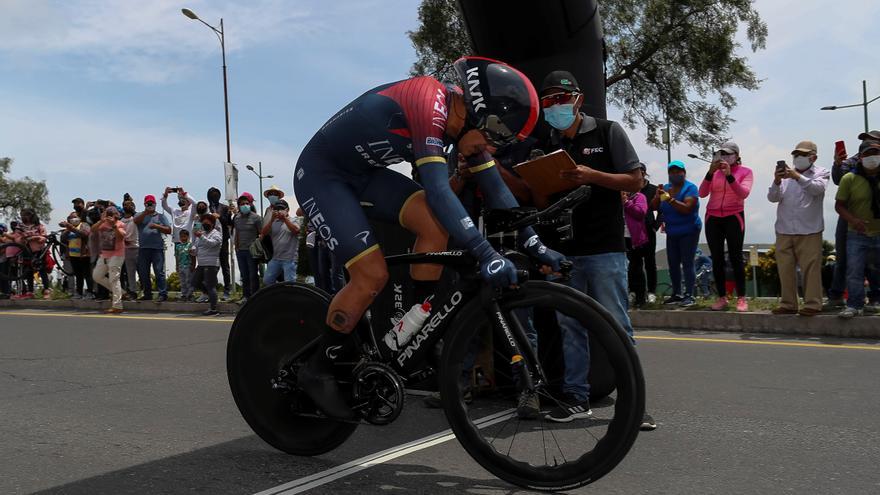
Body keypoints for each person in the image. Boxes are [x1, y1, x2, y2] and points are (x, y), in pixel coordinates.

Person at [292, 56, 564, 421]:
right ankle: (317, 368)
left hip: (363, 174)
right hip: (322, 175)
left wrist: (536, 244)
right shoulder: (428, 100)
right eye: (495, 137)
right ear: (475, 113)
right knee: (372, 275)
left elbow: (499, 192)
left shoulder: (464, 127)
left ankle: (410, 333)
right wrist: (484, 253)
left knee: (435, 227)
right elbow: (438, 190)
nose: (493, 149)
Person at [534, 70, 654, 429]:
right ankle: (575, 399)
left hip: (604, 248)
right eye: (548, 100)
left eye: (561, 98)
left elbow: (636, 179)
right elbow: (543, 198)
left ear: (578, 99)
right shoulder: (549, 143)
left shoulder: (608, 131)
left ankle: (634, 403)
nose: (555, 106)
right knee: (569, 325)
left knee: (617, 325)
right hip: (564, 250)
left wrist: (591, 176)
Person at [767, 141, 829, 317]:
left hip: (810, 230)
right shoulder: (785, 176)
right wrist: (777, 180)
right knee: (785, 269)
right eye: (796, 155)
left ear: (813, 157)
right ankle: (788, 303)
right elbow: (772, 197)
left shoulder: (821, 172)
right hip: (784, 229)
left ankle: (813, 304)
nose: (798, 158)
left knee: (811, 269)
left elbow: (817, 189)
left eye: (802, 155)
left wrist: (796, 177)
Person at [827, 130, 880, 308]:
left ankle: (875, 298)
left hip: (875, 220)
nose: (866, 142)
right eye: (864, 140)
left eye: (871, 140)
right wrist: (837, 163)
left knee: (874, 264)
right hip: (849, 217)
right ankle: (837, 296)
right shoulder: (853, 162)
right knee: (843, 258)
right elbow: (837, 179)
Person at [699, 141, 754, 312]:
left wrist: (730, 175)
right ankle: (721, 297)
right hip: (713, 217)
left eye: (729, 154)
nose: (725, 157)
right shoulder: (714, 173)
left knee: (736, 257)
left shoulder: (746, 172)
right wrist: (710, 173)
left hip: (734, 216)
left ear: (736, 156)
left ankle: (742, 298)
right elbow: (702, 193)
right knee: (717, 258)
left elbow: (743, 193)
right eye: (722, 154)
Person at [653, 160, 702, 307]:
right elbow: (653, 207)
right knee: (673, 263)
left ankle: (689, 295)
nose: (675, 174)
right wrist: (657, 196)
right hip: (672, 231)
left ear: (684, 172)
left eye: (678, 171)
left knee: (687, 262)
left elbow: (687, 209)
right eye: (672, 172)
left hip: (689, 230)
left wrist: (669, 199)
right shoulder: (665, 188)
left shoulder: (690, 188)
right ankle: (676, 293)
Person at [134, 194, 171, 302]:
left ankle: (162, 294)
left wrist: (157, 226)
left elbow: (169, 230)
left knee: (159, 271)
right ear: (145, 204)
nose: (150, 205)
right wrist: (146, 212)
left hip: (157, 248)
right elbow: (135, 221)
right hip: (143, 249)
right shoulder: (140, 215)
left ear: (155, 204)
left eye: (151, 203)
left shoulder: (160, 216)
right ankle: (147, 294)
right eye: (148, 203)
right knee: (143, 273)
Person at [91, 207, 126, 313]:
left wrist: (114, 225)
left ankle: (117, 306)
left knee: (114, 278)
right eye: (108, 214)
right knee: (97, 276)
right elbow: (92, 230)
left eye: (112, 214)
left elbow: (121, 237)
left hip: (117, 254)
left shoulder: (120, 224)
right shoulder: (102, 223)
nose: (109, 216)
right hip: (104, 255)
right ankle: (121, 293)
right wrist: (101, 220)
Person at [11, 208, 49, 299]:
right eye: (22, 215)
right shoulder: (19, 227)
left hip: (39, 251)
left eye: (25, 214)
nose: (23, 216)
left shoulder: (39, 225)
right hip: (25, 251)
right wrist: (22, 238)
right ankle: (30, 291)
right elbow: (16, 239)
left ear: (31, 215)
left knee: (42, 270)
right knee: (28, 271)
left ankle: (46, 290)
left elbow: (44, 237)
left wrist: (34, 237)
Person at [260, 199, 300, 285]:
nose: (279, 211)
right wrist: (271, 220)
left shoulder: (293, 220)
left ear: (287, 210)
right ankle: (277, 296)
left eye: (281, 209)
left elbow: (296, 231)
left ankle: (291, 297)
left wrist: (285, 219)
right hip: (276, 258)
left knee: (290, 283)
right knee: (267, 280)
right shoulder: (274, 222)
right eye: (277, 209)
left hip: (290, 259)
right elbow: (263, 232)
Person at [232, 193, 262, 303]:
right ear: (239, 206)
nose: (244, 205)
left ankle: (255, 297)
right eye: (242, 204)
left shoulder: (256, 218)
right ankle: (245, 296)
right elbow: (237, 233)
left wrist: (259, 248)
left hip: (252, 251)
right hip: (241, 251)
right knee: (244, 275)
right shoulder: (237, 218)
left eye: (246, 203)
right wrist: (236, 247)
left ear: (250, 204)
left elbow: (261, 234)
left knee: (253, 274)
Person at [192, 214, 223, 316]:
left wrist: (201, 237)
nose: (205, 224)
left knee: (210, 285)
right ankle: (207, 294)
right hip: (201, 263)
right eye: (203, 223)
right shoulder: (202, 233)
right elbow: (197, 247)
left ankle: (213, 309)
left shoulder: (216, 234)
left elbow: (213, 244)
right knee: (195, 281)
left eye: (207, 223)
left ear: (212, 224)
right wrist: (192, 251)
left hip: (211, 263)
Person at [623, 189, 649, 307]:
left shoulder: (639, 197)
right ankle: (628, 295)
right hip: (619, 239)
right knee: (623, 269)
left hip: (634, 238)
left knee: (636, 267)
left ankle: (641, 298)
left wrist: (626, 202)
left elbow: (640, 213)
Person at [59, 211, 93, 299]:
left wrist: (72, 228)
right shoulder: (68, 228)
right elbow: (63, 239)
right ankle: (79, 292)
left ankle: (90, 292)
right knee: (78, 275)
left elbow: (85, 234)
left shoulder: (84, 225)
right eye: (71, 218)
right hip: (73, 255)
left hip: (83, 254)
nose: (73, 219)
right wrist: (67, 229)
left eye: (75, 217)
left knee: (87, 274)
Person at [206, 187, 233, 300]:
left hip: (223, 240)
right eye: (212, 194)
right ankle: (210, 291)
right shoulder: (206, 208)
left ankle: (227, 290)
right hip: (209, 241)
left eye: (216, 194)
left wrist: (220, 217)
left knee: (225, 266)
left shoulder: (224, 208)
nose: (214, 196)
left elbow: (228, 223)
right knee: (210, 267)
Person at [120, 200, 140, 300]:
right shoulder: (121, 220)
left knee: (142, 271)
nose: (126, 206)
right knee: (130, 272)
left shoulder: (136, 218)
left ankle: (145, 291)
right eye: (124, 205)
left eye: (129, 204)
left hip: (137, 247)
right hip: (126, 249)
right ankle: (133, 291)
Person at [175, 229, 195, 301]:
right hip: (181, 266)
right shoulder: (178, 246)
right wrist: (177, 266)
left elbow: (193, 256)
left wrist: (193, 265)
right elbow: (177, 256)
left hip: (188, 266)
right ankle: (183, 294)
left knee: (188, 281)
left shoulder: (190, 245)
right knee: (182, 281)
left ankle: (190, 294)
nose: (183, 238)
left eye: (184, 236)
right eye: (181, 237)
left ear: (188, 237)